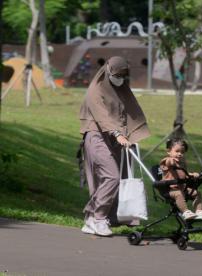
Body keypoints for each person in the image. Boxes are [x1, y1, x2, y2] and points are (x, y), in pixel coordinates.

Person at [79, 56, 150, 236]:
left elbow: (129, 112)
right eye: (117, 75)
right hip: (96, 136)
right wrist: (117, 134)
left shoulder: (120, 89)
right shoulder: (95, 90)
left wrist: (131, 135)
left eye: (124, 76)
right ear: (108, 71)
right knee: (111, 176)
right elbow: (102, 116)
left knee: (117, 178)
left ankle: (92, 219)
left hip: (116, 139)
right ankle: (99, 218)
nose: (120, 79)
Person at [160, 139, 202, 220]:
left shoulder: (182, 163)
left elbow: (184, 174)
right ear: (169, 151)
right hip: (170, 190)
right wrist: (172, 160)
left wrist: (192, 175)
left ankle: (199, 211)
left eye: (182, 152)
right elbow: (169, 162)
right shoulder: (167, 161)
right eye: (177, 151)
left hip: (182, 188)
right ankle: (186, 212)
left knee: (197, 193)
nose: (180, 154)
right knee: (178, 194)